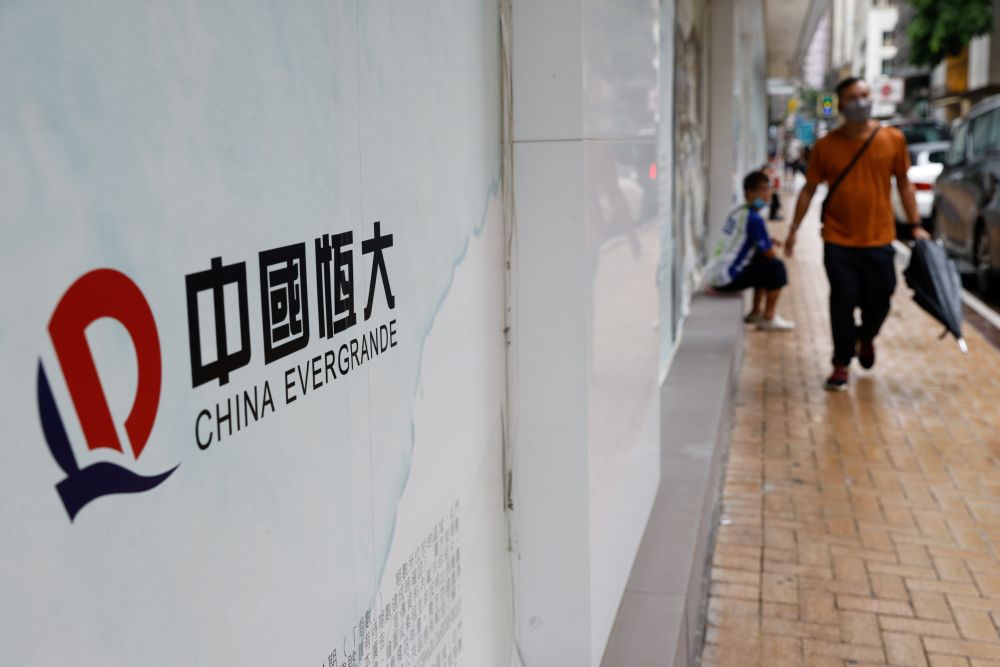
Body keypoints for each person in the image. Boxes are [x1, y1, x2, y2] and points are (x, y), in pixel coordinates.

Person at [784, 77, 930, 391]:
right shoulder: (826, 146)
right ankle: (840, 362)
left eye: (865, 95)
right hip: (838, 240)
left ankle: (866, 337)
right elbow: (809, 190)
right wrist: (794, 229)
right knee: (842, 301)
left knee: (882, 299)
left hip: (880, 238)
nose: (861, 102)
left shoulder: (892, 139)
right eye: (853, 97)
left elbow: (904, 183)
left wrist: (916, 224)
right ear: (840, 105)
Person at [708, 170, 795, 331]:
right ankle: (769, 318)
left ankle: (756, 312)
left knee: (762, 262)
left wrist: (768, 241)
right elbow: (769, 253)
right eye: (762, 189)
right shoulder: (753, 219)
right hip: (726, 279)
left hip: (717, 275)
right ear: (749, 192)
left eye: (768, 189)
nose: (767, 194)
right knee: (776, 266)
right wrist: (771, 248)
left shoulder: (740, 211)